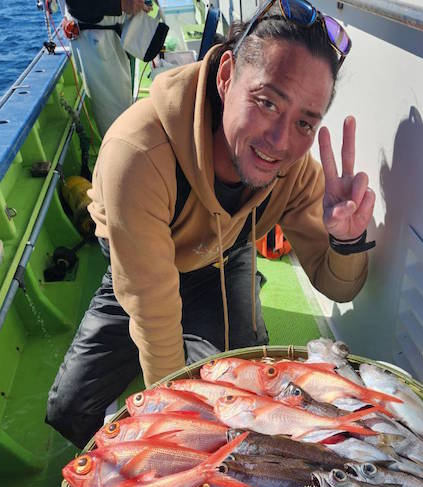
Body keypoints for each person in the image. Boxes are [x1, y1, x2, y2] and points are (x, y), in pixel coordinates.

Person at [46, 0, 377, 449]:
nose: (280, 142)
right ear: (226, 77)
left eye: (304, 122)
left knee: (241, 397)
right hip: (140, 269)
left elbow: (338, 287)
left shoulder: (296, 170)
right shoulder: (137, 154)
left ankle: (245, 295)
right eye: (266, 102)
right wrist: (179, 437)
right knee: (68, 410)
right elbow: (153, 311)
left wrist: (348, 238)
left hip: (222, 259)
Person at [65, 0, 151, 136]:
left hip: (113, 31)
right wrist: (122, 4)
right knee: (117, 120)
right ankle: (120, 153)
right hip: (97, 39)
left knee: (123, 110)